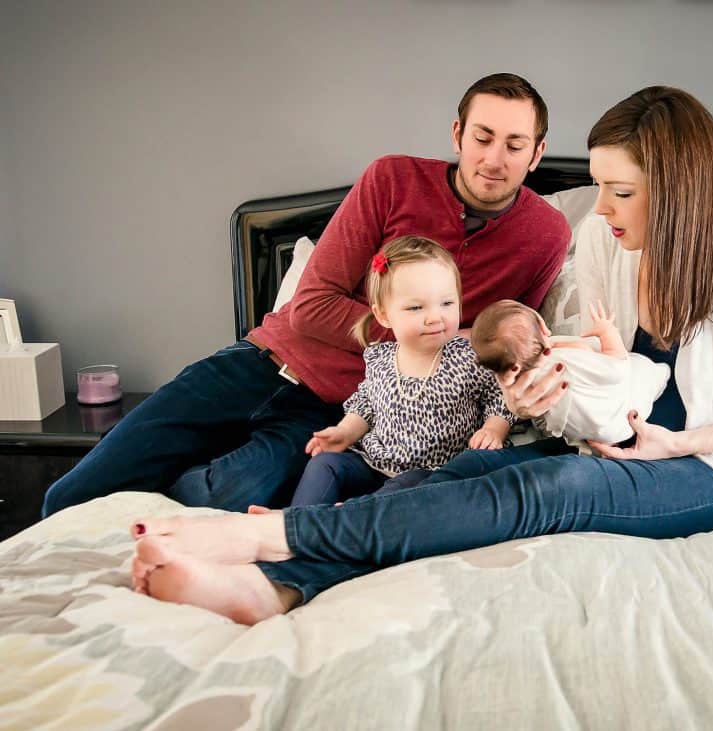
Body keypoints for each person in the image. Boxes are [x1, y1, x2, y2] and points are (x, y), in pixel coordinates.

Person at [128, 85, 713, 625]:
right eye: (600, 187)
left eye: (620, 192)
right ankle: (278, 587)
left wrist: (678, 442)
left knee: (552, 490)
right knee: (460, 471)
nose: (602, 209)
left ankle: (268, 539)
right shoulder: (603, 242)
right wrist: (539, 402)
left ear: (678, 192)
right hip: (611, 443)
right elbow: (596, 380)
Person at [42, 73, 569, 516]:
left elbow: (507, 343)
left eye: (514, 145)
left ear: (536, 152)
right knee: (71, 496)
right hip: (256, 364)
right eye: (482, 137)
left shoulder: (546, 234)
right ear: (458, 134)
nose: (493, 159)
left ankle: (161, 526)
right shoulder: (393, 179)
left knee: (217, 497)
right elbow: (313, 307)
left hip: (330, 410)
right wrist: (423, 332)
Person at [290, 236, 514, 507]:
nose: (435, 317)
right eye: (416, 307)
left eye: (446, 303)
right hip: (376, 463)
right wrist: (345, 432)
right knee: (324, 464)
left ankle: (347, 517)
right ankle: (296, 518)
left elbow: (501, 397)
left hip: (432, 472)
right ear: (384, 315)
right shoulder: (380, 358)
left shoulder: (468, 357)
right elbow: (366, 405)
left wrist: (494, 429)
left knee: (405, 484)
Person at [471, 299, 669, 446]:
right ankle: (664, 374)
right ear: (541, 329)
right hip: (625, 413)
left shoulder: (520, 385)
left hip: (604, 433)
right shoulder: (567, 358)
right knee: (646, 371)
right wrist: (607, 331)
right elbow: (615, 369)